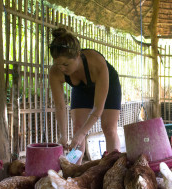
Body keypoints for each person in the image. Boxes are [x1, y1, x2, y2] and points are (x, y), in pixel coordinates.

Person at [48, 27, 122, 162]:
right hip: (81, 88)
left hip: (108, 85)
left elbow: (98, 108)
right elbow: (59, 106)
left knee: (109, 128)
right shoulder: (55, 72)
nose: (61, 68)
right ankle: (75, 170)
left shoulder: (96, 63)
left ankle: (114, 166)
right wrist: (63, 135)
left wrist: (82, 134)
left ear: (77, 55)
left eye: (65, 64)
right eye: (58, 64)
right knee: (77, 128)